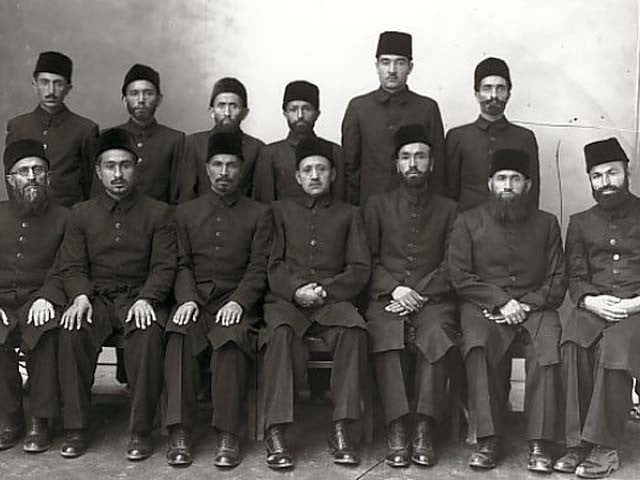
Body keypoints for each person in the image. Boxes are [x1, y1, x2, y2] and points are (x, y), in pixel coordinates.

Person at [57, 128, 176, 460]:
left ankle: (140, 430)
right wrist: (80, 296)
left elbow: (165, 266)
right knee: (71, 330)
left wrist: (147, 298)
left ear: (136, 167)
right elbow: (73, 265)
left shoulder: (159, 212)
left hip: (138, 297)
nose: (118, 174)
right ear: (98, 170)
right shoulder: (81, 214)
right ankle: (76, 427)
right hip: (96, 299)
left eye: (125, 165)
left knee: (150, 333)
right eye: (110, 166)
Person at [449, 149, 566, 472]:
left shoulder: (547, 223)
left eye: (515, 179)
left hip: (536, 307)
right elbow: (459, 276)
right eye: (501, 179)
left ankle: (541, 442)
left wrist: (525, 304)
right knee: (476, 344)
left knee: (547, 347)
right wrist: (499, 300)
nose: (508, 185)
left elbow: (557, 279)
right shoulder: (468, 222)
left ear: (527, 184)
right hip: (485, 307)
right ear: (490, 183)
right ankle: (489, 438)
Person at [163, 131, 273, 467]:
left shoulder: (259, 213)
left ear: (241, 170)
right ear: (206, 168)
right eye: (217, 165)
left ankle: (228, 433)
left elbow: (259, 268)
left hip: (236, 302)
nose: (224, 172)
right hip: (196, 300)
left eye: (231, 165)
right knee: (179, 335)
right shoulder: (184, 213)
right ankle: (180, 430)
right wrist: (186, 300)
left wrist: (239, 301)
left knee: (230, 340)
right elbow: (180, 263)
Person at [261, 137, 369, 469]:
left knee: (354, 331)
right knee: (279, 334)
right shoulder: (279, 211)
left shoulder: (350, 214)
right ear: (297, 176)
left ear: (333, 174)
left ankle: (342, 427)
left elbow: (360, 267)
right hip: (287, 301)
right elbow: (272, 264)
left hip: (331, 300)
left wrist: (325, 289)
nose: (314, 176)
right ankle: (276, 430)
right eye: (307, 170)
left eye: (321, 169)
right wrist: (295, 290)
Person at [364, 124, 458, 467]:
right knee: (386, 331)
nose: (413, 163)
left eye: (420, 156)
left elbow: (453, 264)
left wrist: (420, 291)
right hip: (389, 296)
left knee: (436, 332)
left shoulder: (449, 209)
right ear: (396, 164)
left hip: (433, 299)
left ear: (432, 163)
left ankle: (424, 425)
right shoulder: (376, 206)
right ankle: (397, 425)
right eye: (406, 157)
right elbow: (365, 260)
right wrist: (395, 288)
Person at [556, 137, 640, 479]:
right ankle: (577, 442)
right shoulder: (580, 221)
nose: (606, 183)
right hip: (595, 306)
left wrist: (635, 303)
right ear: (590, 180)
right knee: (573, 340)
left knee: (615, 348)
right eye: (597, 176)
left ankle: (605, 448)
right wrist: (591, 301)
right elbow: (575, 275)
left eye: (613, 173)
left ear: (627, 172)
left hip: (638, 308)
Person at [0, 140, 68, 453]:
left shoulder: (66, 218)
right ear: (9, 179)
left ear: (48, 177)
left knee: (44, 330)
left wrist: (48, 297)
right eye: (24, 171)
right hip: (2, 301)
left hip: (41, 298)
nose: (31, 176)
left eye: (38, 170)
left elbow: (68, 267)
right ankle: (8, 418)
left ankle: (41, 420)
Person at [342, 31, 446, 205]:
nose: (392, 70)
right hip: (370, 206)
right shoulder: (358, 107)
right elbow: (350, 167)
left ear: (410, 67)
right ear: (376, 66)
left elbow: (438, 167)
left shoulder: (427, 108)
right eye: (385, 62)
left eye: (400, 63)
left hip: (418, 206)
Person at [445, 57, 540, 211]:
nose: (493, 95)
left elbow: (531, 195)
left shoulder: (524, 137)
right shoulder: (458, 137)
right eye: (487, 88)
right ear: (477, 94)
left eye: (500, 88)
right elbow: (449, 193)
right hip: (467, 228)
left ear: (508, 94)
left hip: (512, 227)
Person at [6, 51, 99, 207]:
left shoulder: (85, 129)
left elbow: (91, 182)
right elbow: (11, 179)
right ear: (35, 85)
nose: (50, 91)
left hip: (70, 220)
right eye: (44, 82)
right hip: (28, 218)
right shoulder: (18, 127)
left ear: (68, 88)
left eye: (58, 83)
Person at [98, 64, 184, 204]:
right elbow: (97, 191)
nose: (141, 100)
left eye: (148, 93)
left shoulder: (175, 140)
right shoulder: (107, 136)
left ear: (159, 99)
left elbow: (177, 193)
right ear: (124, 100)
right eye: (134, 93)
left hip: (159, 221)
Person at [253, 80, 345, 203]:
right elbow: (265, 203)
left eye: (306, 109)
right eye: (293, 109)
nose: (300, 115)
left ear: (317, 114)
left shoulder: (334, 151)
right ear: (285, 113)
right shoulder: (270, 154)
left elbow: (341, 203)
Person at [179, 77, 264, 201]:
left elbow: (258, 197)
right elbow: (186, 194)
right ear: (211, 111)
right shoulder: (193, 143)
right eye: (221, 106)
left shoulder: (257, 148)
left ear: (244, 113)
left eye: (233, 106)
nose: (227, 113)